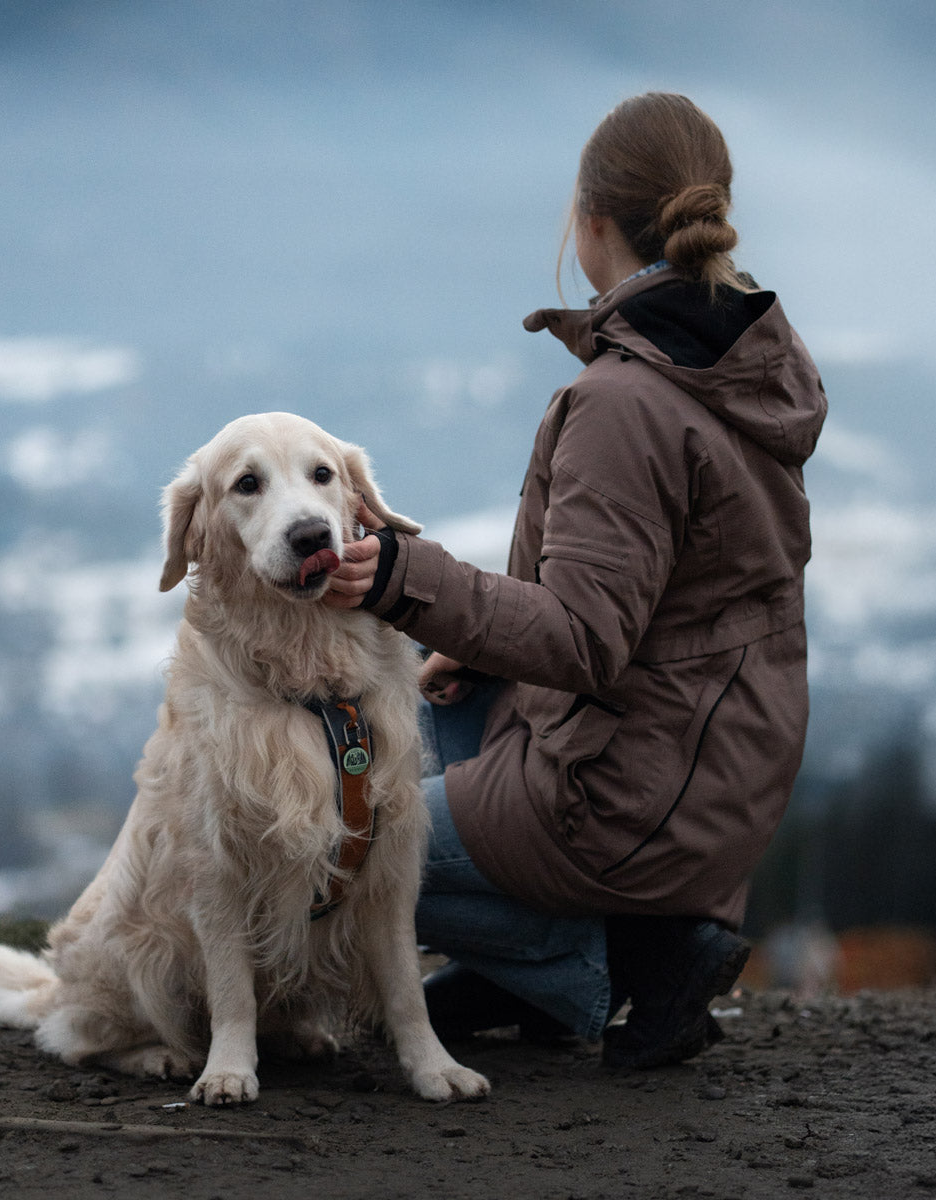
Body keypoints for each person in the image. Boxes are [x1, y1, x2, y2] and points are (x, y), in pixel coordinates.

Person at [324, 92, 827, 1068]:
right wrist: (471, 649)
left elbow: (587, 639)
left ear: (590, 219)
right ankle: (554, 967)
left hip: (631, 801)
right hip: (711, 764)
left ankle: (611, 965)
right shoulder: (740, 357)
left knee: (338, 841)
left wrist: (399, 577)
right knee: (388, 740)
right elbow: (660, 614)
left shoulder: (627, 404)